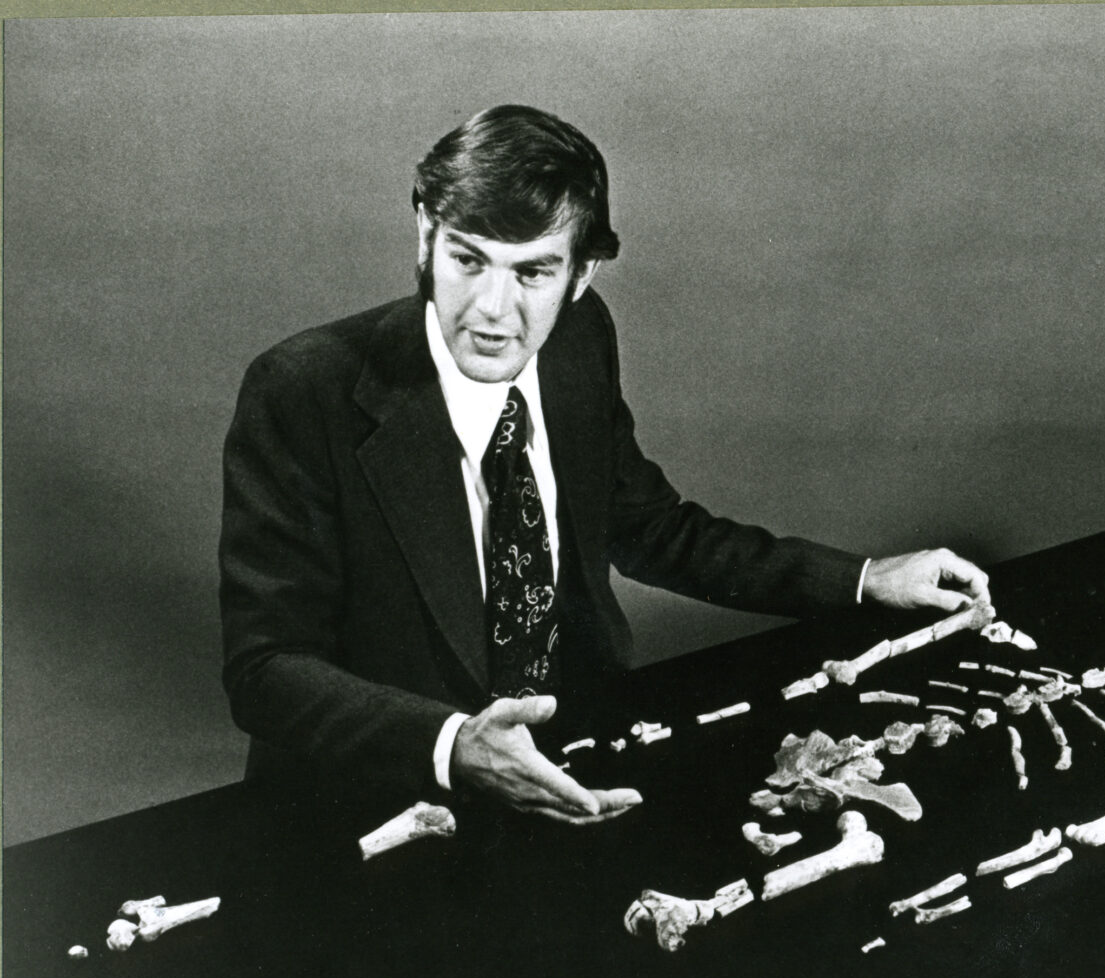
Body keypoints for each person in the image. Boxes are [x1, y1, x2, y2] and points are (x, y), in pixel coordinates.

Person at [219, 104, 991, 826]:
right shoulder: (301, 391)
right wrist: (455, 742)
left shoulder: (579, 341)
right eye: (467, 260)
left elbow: (649, 526)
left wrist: (862, 579)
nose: (491, 309)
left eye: (531, 273)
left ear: (581, 274)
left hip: (576, 748)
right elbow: (266, 667)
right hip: (382, 795)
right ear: (425, 233)